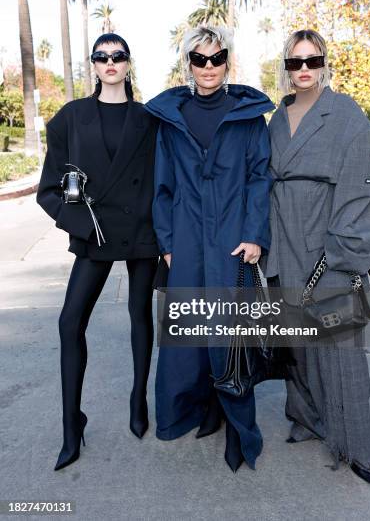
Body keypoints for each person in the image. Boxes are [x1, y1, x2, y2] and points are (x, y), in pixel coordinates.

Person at [262, 28, 370, 486]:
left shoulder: (345, 114)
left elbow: (358, 188)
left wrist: (342, 253)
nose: (303, 70)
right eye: (294, 62)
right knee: (297, 343)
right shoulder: (276, 118)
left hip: (326, 242)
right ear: (285, 67)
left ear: (324, 62)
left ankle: (356, 443)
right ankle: (307, 417)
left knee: (340, 345)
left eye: (311, 60)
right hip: (282, 240)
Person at [144, 26, 273, 472]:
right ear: (188, 64)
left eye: (216, 58)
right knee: (187, 334)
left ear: (227, 62)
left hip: (233, 239)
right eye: (200, 59)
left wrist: (256, 234)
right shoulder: (171, 118)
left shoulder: (248, 116)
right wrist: (168, 243)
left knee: (229, 334)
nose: (209, 67)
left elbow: (260, 178)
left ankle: (239, 429)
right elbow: (162, 186)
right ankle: (190, 413)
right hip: (186, 237)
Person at [37, 33, 159, 471]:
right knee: (69, 322)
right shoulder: (70, 118)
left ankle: (137, 401)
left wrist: (166, 238)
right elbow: (49, 190)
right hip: (95, 234)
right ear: (93, 64)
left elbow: (163, 180)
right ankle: (73, 424)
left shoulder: (149, 118)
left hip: (142, 233)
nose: (110, 62)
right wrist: (81, 225)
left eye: (118, 56)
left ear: (128, 63)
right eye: (102, 56)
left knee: (140, 316)